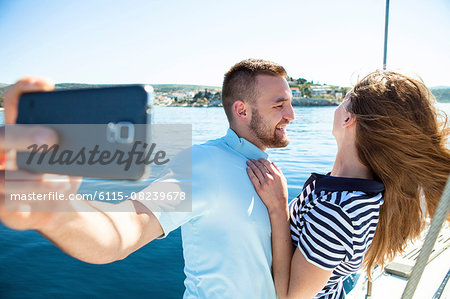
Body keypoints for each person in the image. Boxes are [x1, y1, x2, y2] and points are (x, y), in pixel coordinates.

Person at [0, 59, 295, 298]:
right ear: (241, 110)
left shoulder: (266, 171)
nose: (291, 114)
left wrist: (279, 208)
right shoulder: (205, 163)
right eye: (279, 104)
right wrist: (56, 210)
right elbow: (129, 226)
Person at [246, 70, 450, 298]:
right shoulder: (352, 189)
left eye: (345, 99)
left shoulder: (337, 210)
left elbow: (290, 297)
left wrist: (278, 207)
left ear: (348, 119)